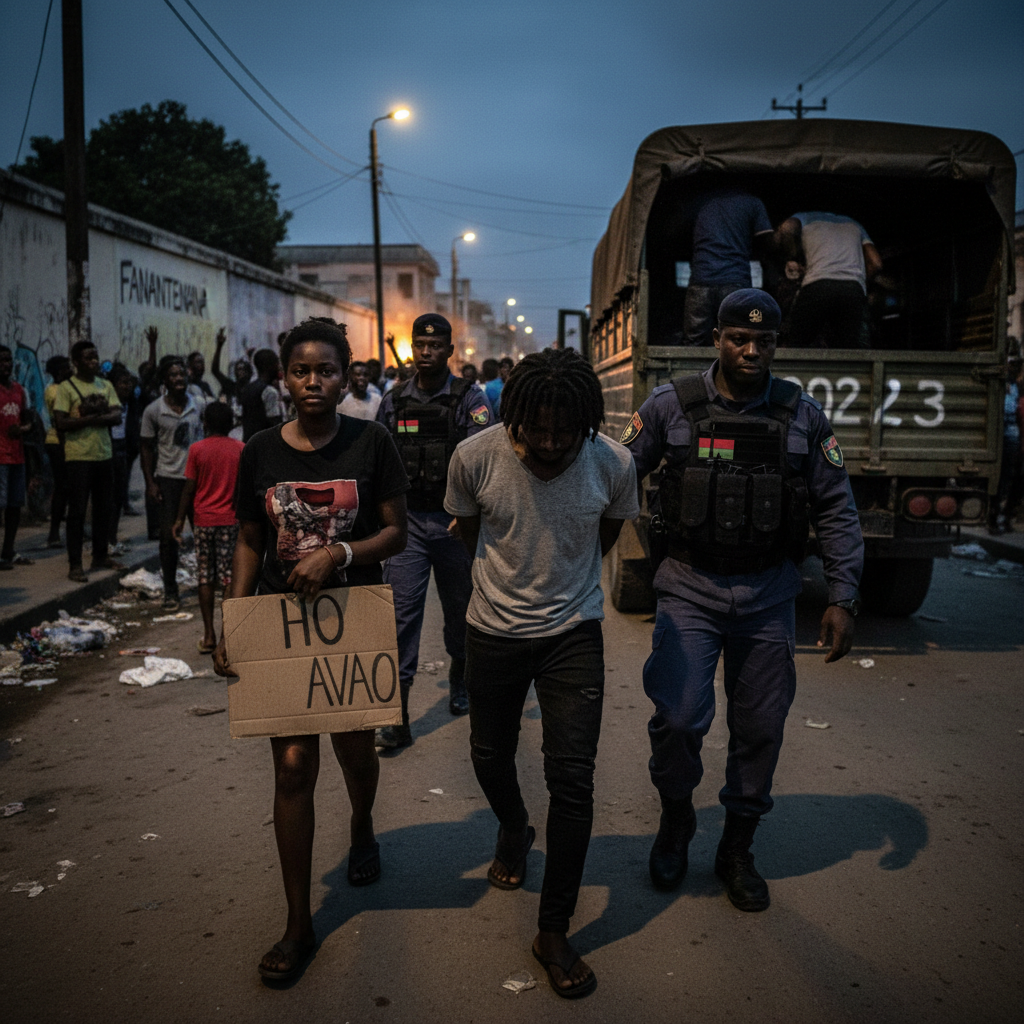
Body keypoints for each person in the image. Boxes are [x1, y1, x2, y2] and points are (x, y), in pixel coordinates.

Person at [623, 289, 863, 912]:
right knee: (679, 718)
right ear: (718, 340)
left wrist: (842, 595)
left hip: (768, 593)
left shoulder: (802, 415)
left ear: (777, 345)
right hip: (689, 587)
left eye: (763, 341)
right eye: (738, 338)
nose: (751, 350)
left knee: (760, 727)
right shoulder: (671, 405)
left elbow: (836, 508)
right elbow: (615, 474)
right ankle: (677, 818)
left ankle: (737, 846)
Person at [213, 316, 409, 983]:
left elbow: (396, 533)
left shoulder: (372, 441)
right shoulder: (260, 451)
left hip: (352, 621)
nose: (314, 381)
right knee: (294, 768)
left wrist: (338, 553)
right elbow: (249, 538)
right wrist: (234, 619)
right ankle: (299, 923)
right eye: (301, 371)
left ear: (346, 376)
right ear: (283, 379)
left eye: (327, 370)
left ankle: (362, 824)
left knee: (355, 751)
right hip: (282, 621)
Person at [445, 347, 638, 998]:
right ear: (515, 418)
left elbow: (606, 535)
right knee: (489, 753)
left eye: (566, 432)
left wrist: (565, 587)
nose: (552, 443)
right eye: (538, 431)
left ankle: (553, 929)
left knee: (573, 782)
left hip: (573, 635)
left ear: (586, 423)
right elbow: (468, 533)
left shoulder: (613, 463)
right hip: (492, 631)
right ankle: (512, 825)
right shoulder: (474, 457)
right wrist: (510, 584)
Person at [375, 313, 494, 748]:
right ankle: (398, 716)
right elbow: (379, 462)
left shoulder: (470, 398)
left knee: (461, 611)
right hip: (406, 527)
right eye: (420, 345)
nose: (426, 352)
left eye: (435, 346)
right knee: (400, 616)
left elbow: (484, 459)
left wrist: (469, 515)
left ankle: (460, 678)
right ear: (413, 348)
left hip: (453, 525)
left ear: (449, 350)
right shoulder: (393, 401)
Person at [173, 401, 244, 653]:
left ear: (205, 423)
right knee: (228, 578)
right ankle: (227, 635)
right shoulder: (240, 449)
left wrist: (179, 520)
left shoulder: (197, 449)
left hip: (203, 520)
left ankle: (209, 635)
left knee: (205, 576)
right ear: (231, 423)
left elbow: (189, 488)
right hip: (231, 521)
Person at [52, 341, 123, 582]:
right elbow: (61, 422)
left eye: (95, 357)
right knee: (77, 511)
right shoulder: (66, 388)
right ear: (76, 362)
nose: (93, 362)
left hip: (103, 454)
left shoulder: (105, 385)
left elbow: (117, 415)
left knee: (104, 508)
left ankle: (100, 555)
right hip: (78, 457)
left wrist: (87, 417)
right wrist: (97, 418)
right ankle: (75, 564)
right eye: (88, 358)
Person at [140, 358, 205, 610]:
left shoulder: (199, 404)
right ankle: (170, 591)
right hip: (169, 479)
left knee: (203, 535)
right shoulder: (153, 410)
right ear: (165, 380)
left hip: (197, 480)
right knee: (168, 538)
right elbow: (146, 447)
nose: (179, 379)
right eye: (173, 375)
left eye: (182, 375)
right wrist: (150, 483)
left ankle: (208, 584)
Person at [682, 188, 774, 347]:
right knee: (739, 339)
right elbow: (766, 241)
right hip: (735, 280)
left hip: (701, 279)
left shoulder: (702, 203)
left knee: (693, 341)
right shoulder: (753, 203)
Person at [776, 211, 882, 349]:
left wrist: (793, 255)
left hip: (817, 284)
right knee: (850, 348)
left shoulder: (804, 217)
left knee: (798, 342)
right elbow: (876, 263)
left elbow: (787, 227)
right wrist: (860, 282)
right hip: (852, 288)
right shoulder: (854, 224)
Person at [0, 345, 34, 570]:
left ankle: (8, 550)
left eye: (8, 360)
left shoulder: (20, 390)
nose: (7, 365)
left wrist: (22, 429)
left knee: (14, 506)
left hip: (17, 456)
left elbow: (28, 420)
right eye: (2, 361)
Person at [43, 354, 72, 548]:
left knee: (69, 487)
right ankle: (54, 533)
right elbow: (60, 421)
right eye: (66, 367)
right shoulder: (55, 391)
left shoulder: (64, 388)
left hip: (67, 442)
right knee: (62, 487)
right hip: (58, 442)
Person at [241, 348, 284, 441]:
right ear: (269, 366)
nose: (279, 367)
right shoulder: (269, 391)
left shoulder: (247, 388)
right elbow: (275, 424)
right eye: (277, 364)